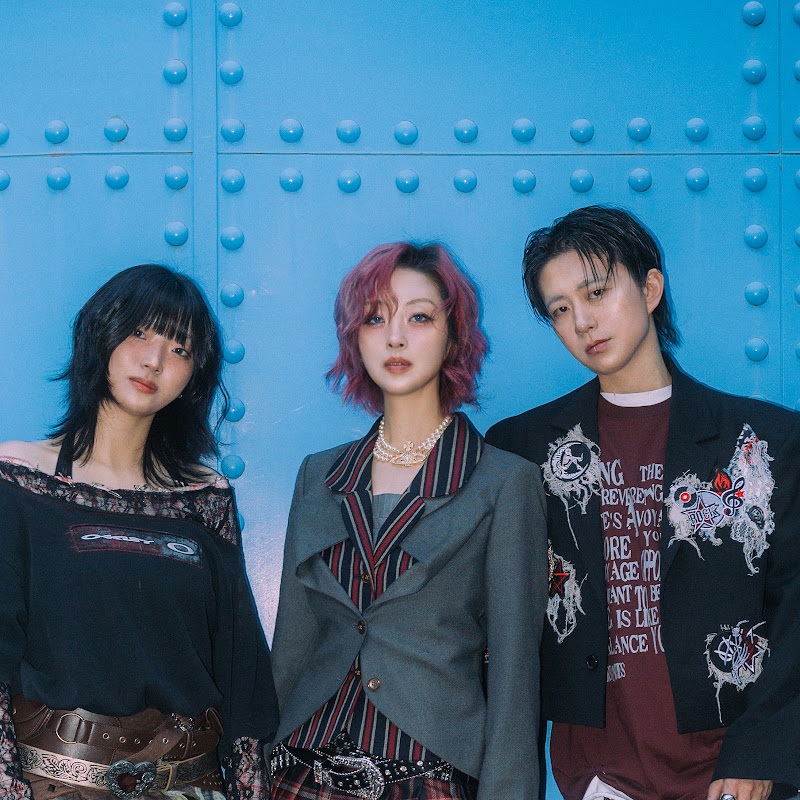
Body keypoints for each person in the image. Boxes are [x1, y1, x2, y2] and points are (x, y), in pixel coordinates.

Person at [486, 206, 800, 800]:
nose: (582, 321)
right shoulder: (522, 449)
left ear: (650, 288)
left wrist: (762, 749)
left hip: (732, 773)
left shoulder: (761, 441)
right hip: (599, 778)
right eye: (559, 309)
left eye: (596, 292)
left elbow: (794, 613)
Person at [267, 242, 548, 800]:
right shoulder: (318, 475)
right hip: (299, 770)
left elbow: (515, 672)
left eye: (419, 317)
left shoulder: (503, 481)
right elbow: (292, 646)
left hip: (427, 775)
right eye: (375, 318)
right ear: (355, 337)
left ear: (454, 335)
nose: (395, 337)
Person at [0, 264, 279, 800]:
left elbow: (240, 668)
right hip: (56, 783)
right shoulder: (19, 478)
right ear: (99, 333)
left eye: (180, 349)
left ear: (194, 374)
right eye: (139, 333)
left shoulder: (204, 497)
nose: (154, 360)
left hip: (191, 783)